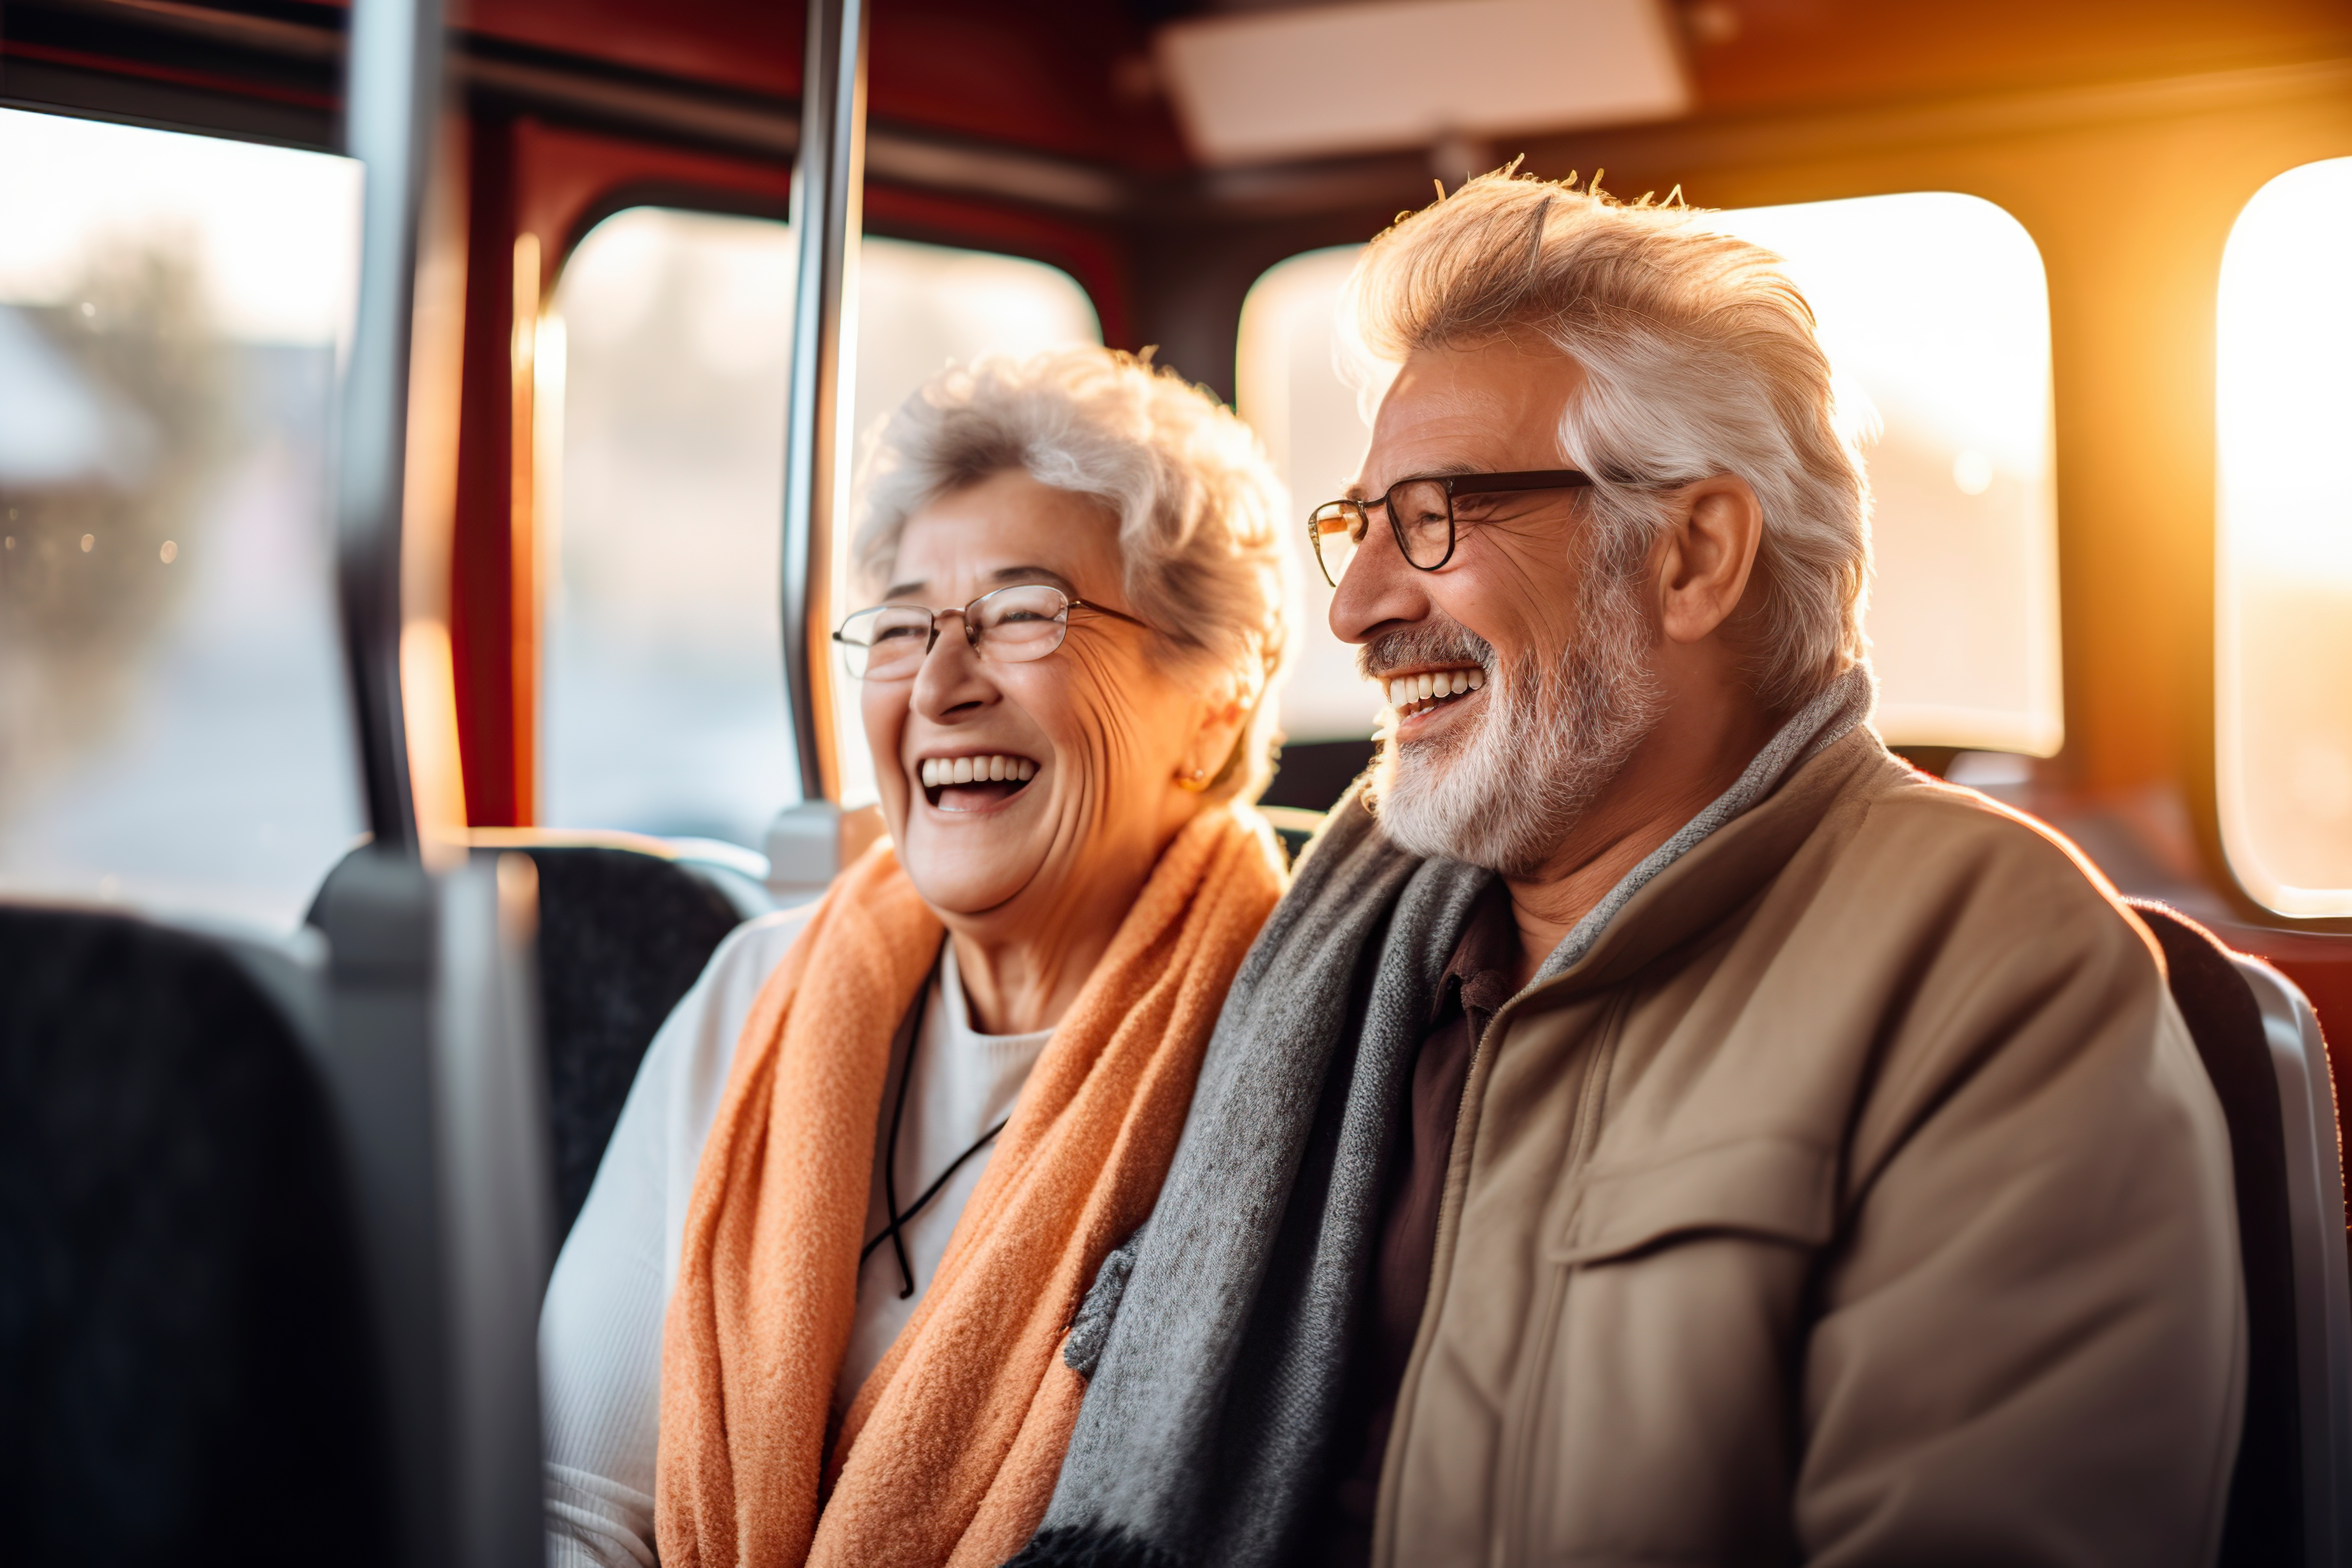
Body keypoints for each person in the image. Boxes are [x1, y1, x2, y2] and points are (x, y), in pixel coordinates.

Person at [1014, 173, 2243, 1568]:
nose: (1355, 610)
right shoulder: (1350, 948)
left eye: (1436, 517)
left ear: (1693, 554)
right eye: (1360, 527)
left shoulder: (1996, 967)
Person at [539, 346, 1295, 1568]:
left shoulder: (1299, 1046)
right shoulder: (754, 995)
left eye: (1020, 615)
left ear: (1214, 696)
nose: (940, 686)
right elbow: (571, 1505)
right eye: (903, 627)